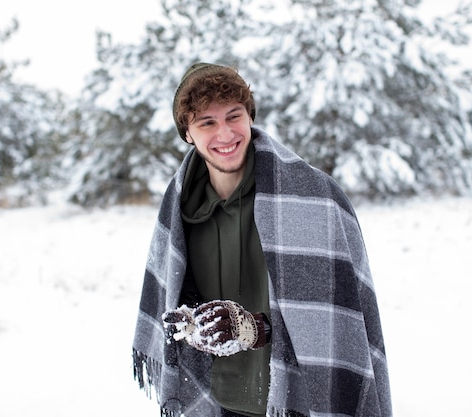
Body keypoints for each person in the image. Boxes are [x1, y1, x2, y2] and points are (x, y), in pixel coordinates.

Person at [132, 62, 392, 417]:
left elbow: (328, 321)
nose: (224, 134)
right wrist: (191, 321)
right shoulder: (179, 206)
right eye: (207, 122)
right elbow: (180, 290)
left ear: (250, 117)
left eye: (233, 116)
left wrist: (254, 328)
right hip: (218, 398)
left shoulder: (314, 199)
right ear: (188, 133)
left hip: (297, 402)